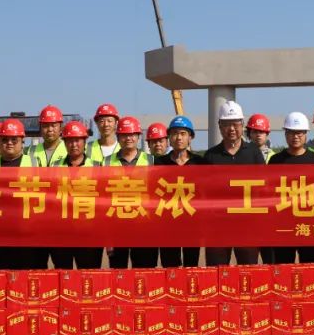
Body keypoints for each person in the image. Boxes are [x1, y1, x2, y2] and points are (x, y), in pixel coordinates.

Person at [203, 101, 265, 265]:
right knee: (216, 272)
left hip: (247, 226)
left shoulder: (254, 153)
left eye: (235, 124)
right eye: (226, 124)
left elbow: (263, 188)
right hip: (218, 227)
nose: (231, 129)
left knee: (247, 271)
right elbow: (204, 192)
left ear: (242, 125)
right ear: (219, 126)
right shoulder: (211, 156)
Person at [267, 111, 314, 264]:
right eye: (291, 132)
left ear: (306, 134)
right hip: (283, 226)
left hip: (309, 225)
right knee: (283, 269)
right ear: (285, 134)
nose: (296, 136)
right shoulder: (275, 161)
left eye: (299, 133)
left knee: (311, 269)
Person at [0, 118, 39, 270]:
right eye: (5, 139)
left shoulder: (34, 163)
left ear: (22, 141)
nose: (9, 143)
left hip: (26, 232)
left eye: (14, 140)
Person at [154, 115, 206, 267]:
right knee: (170, 267)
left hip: (192, 224)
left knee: (191, 267)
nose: (178, 138)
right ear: (169, 138)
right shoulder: (159, 163)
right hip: (167, 225)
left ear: (190, 137)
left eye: (183, 134)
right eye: (174, 133)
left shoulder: (200, 163)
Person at [103, 116, 153, 268]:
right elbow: (103, 198)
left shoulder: (151, 160)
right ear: (118, 137)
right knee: (118, 273)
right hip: (117, 226)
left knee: (143, 273)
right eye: (124, 135)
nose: (128, 138)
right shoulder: (106, 162)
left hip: (143, 226)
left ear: (138, 136)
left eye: (132, 134)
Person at [51, 121, 101, 270]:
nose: (74, 145)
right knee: (63, 275)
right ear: (64, 143)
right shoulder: (54, 167)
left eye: (77, 140)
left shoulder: (98, 166)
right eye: (69, 141)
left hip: (89, 233)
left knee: (89, 276)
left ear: (85, 141)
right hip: (62, 232)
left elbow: (103, 202)